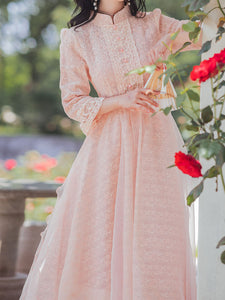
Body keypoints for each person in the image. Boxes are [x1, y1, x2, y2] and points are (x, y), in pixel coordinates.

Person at [19, 0, 202, 299]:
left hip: (157, 141)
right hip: (109, 147)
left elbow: (204, 34)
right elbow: (73, 102)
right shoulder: (77, 37)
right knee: (101, 236)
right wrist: (121, 101)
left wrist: (179, 36)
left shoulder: (154, 23)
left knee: (154, 233)